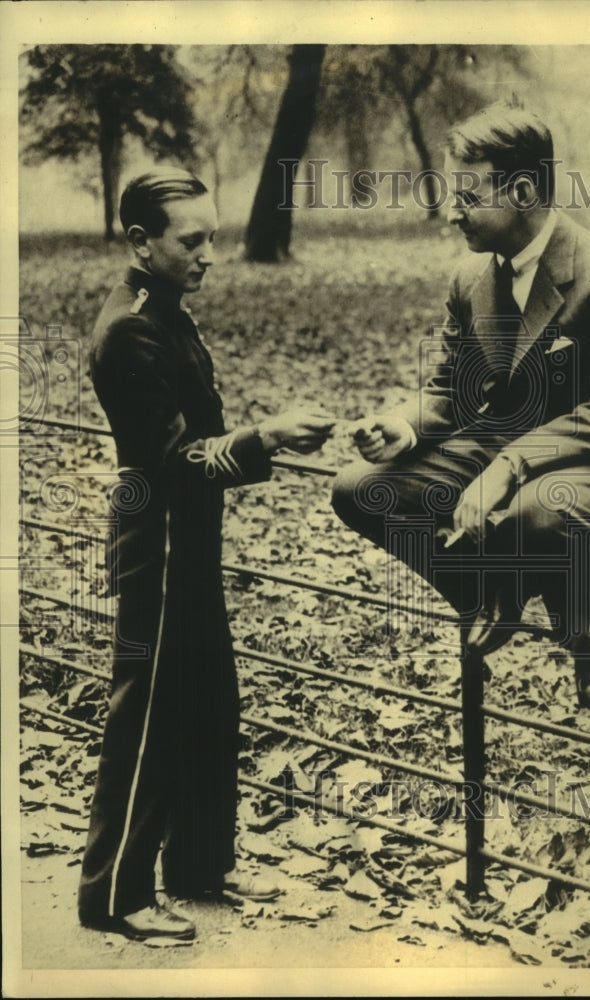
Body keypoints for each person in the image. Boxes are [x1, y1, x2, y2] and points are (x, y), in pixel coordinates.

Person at [332, 104, 590, 707]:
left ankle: (586, 618)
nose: (451, 214)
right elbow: (452, 389)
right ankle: (491, 592)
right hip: (507, 438)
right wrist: (401, 425)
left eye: (466, 196)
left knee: (531, 510)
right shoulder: (470, 278)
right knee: (359, 487)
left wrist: (507, 466)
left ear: (523, 192)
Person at [78, 168, 335, 941]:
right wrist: (266, 439)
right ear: (140, 242)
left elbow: (196, 442)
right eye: (191, 240)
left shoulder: (166, 310)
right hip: (156, 546)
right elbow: (172, 463)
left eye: (212, 237)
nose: (209, 254)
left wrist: (261, 440)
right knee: (149, 715)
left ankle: (195, 867)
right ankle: (114, 895)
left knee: (207, 703)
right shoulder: (130, 329)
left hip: (187, 541)